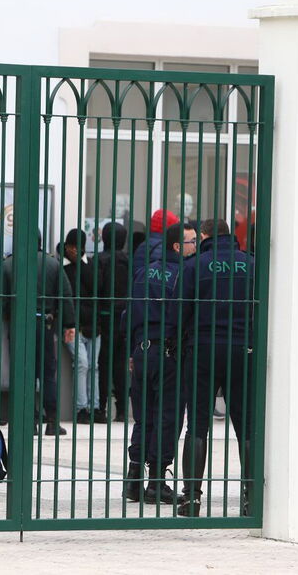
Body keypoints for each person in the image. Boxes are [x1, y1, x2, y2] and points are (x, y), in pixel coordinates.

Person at [177, 218, 255, 517]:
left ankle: (191, 499)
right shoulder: (250, 264)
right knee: (246, 427)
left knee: (197, 424)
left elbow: (180, 309)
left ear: (206, 235)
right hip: (243, 349)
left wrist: (179, 343)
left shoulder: (195, 265)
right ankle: (250, 499)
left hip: (203, 348)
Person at [123, 210, 189, 505]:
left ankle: (133, 479)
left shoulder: (143, 271)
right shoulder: (182, 276)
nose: (195, 248)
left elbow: (129, 312)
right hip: (168, 351)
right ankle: (157, 481)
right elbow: (184, 317)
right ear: (177, 246)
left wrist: (132, 350)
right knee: (167, 417)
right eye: (190, 243)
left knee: (143, 416)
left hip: (141, 350)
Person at [0, 232, 76, 436]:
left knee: (23, 374)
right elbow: (65, 295)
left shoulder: (8, 265)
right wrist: (69, 324)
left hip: (18, 325)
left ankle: (28, 420)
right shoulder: (53, 265)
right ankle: (51, 421)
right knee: (48, 374)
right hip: (45, 324)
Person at [62, 228, 101, 424]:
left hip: (92, 324)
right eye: (71, 247)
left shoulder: (90, 265)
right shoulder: (63, 267)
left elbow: (98, 288)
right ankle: (81, 408)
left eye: (78, 248)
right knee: (83, 363)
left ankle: (93, 406)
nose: (75, 251)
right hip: (72, 325)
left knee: (93, 366)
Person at [94, 222, 129, 422]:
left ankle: (101, 406)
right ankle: (123, 409)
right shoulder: (127, 260)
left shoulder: (100, 260)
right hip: (124, 316)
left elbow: (96, 288)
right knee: (121, 364)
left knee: (103, 364)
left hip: (105, 316)